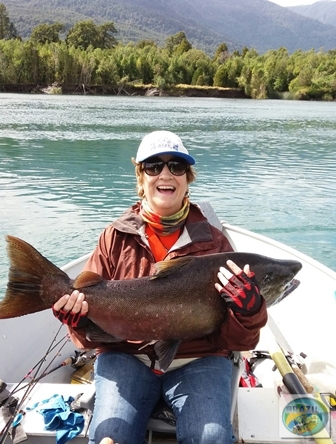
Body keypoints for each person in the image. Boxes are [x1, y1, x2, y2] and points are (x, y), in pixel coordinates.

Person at [53, 130, 268, 444]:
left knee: (211, 438)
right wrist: (79, 322)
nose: (165, 174)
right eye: (154, 166)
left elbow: (234, 341)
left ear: (187, 178)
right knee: (109, 437)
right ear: (141, 177)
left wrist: (249, 313)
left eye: (176, 166)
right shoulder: (114, 237)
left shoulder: (215, 244)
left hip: (200, 359)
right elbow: (89, 335)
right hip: (125, 356)